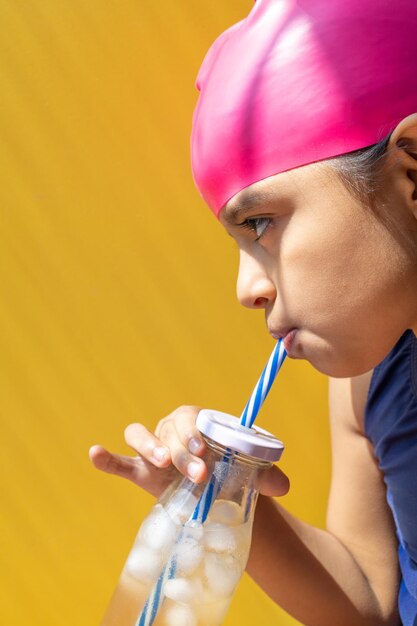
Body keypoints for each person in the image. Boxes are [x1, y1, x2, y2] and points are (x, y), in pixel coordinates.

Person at [90, 1, 417, 624]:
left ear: (413, 176)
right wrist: (224, 497)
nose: (247, 289)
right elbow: (372, 604)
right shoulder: (367, 380)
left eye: (260, 223)